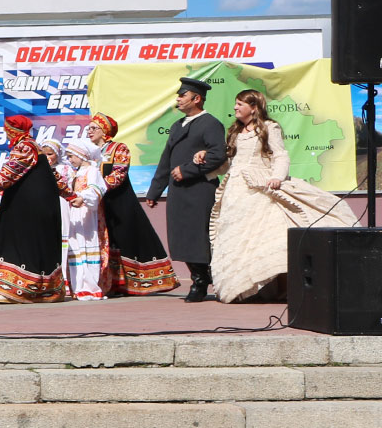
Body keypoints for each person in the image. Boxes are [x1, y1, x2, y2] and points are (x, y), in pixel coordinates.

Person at [207, 88, 359, 303]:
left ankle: (279, 288)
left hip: (260, 185)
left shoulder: (269, 127)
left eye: (240, 103)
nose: (235, 107)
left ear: (254, 107)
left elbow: (280, 154)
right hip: (235, 190)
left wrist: (278, 177)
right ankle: (242, 288)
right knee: (236, 237)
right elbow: (230, 162)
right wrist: (206, 163)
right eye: (236, 103)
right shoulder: (235, 131)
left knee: (266, 237)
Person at [144, 77, 228, 302]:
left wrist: (188, 170)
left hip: (200, 190)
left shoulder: (210, 123)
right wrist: (154, 191)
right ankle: (199, 276)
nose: (179, 99)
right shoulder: (178, 125)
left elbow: (218, 155)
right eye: (179, 95)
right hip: (179, 192)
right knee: (181, 237)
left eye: (183, 95)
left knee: (198, 237)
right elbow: (166, 160)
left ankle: (201, 281)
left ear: (196, 98)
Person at [0, 115, 67, 303]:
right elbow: (55, 176)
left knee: (23, 243)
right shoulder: (37, 148)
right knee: (40, 243)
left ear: (13, 130)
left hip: (28, 207)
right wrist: (71, 196)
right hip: (40, 204)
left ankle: (21, 290)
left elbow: (9, 172)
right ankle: (45, 289)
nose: (5, 132)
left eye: (7, 128)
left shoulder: (25, 147)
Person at [85, 114, 176, 296]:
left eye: (94, 128)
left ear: (105, 131)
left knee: (126, 238)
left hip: (119, 201)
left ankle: (137, 282)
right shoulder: (89, 151)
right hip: (99, 204)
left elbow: (118, 173)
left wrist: (96, 189)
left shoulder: (118, 148)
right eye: (89, 128)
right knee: (106, 241)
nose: (89, 131)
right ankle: (110, 283)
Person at [59, 138, 108, 300]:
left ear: (82, 155)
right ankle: (78, 286)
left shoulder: (92, 171)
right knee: (76, 248)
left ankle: (90, 287)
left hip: (87, 215)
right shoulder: (77, 173)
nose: (70, 159)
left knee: (87, 247)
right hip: (75, 214)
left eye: (72, 155)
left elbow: (97, 189)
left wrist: (82, 198)